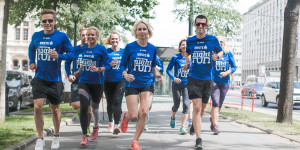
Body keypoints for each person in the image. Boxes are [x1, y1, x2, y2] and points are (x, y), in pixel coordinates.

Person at [28, 9, 74, 150]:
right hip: (40, 78)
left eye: (50, 20)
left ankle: (56, 135)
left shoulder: (61, 36)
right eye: (44, 21)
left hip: (55, 80)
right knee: (37, 107)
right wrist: (32, 61)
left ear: (54, 21)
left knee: (55, 110)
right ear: (41, 22)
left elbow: (72, 53)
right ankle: (40, 138)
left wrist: (59, 56)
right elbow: (31, 50)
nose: (47, 23)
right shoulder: (36, 36)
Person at [119, 20, 163, 150]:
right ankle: (125, 116)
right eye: (139, 29)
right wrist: (125, 75)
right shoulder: (130, 47)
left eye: (144, 29)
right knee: (133, 115)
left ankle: (135, 141)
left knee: (143, 113)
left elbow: (153, 66)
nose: (142, 32)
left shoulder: (152, 48)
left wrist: (157, 75)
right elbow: (122, 64)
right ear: (136, 32)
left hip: (147, 83)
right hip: (132, 83)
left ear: (148, 32)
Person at [183, 15, 223, 149]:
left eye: (203, 24)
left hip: (208, 79)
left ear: (206, 26)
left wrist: (217, 56)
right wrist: (187, 61)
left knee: (203, 109)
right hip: (194, 78)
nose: (200, 27)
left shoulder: (212, 39)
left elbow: (221, 51)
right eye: (198, 24)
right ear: (195, 25)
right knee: (197, 107)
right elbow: (187, 52)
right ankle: (198, 139)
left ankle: (195, 124)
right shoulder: (190, 40)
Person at [76, 26, 110, 145]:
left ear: (97, 36)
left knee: (95, 107)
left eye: (92, 35)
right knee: (84, 107)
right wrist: (78, 71)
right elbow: (83, 62)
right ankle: (84, 135)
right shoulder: (84, 49)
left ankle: (95, 126)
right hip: (84, 81)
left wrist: (99, 69)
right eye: (88, 35)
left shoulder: (101, 49)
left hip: (97, 83)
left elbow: (108, 66)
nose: (90, 37)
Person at [65, 28, 92, 136]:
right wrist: (69, 74)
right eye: (83, 35)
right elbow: (67, 63)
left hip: (90, 82)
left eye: (87, 35)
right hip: (77, 81)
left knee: (89, 110)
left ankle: (87, 127)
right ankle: (81, 110)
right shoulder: (74, 50)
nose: (85, 37)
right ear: (80, 36)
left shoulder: (92, 49)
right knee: (76, 105)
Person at [210, 36, 236, 134]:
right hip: (213, 81)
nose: (219, 43)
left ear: (224, 43)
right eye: (218, 42)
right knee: (215, 103)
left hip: (225, 82)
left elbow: (234, 67)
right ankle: (216, 125)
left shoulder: (228, 54)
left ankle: (213, 119)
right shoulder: (212, 53)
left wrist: (227, 72)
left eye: (221, 42)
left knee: (219, 105)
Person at [102, 31, 125, 134]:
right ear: (110, 40)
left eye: (116, 39)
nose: (114, 40)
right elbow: (102, 65)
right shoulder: (106, 52)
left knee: (117, 101)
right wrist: (109, 64)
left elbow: (127, 64)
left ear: (119, 40)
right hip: (108, 80)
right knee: (110, 103)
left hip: (120, 80)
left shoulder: (123, 52)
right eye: (113, 39)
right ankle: (110, 122)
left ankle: (117, 124)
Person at [166, 39, 190, 135]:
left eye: (186, 45)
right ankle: (173, 116)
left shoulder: (191, 58)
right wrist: (174, 78)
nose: (184, 46)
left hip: (187, 85)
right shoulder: (175, 57)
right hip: (176, 85)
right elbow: (168, 70)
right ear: (180, 47)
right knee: (176, 105)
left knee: (186, 104)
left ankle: (182, 127)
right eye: (182, 45)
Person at [144, 55, 164, 131]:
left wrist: (157, 68)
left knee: (149, 105)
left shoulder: (157, 58)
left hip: (151, 82)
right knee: (142, 103)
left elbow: (162, 69)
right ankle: (143, 120)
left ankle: (145, 120)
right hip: (140, 82)